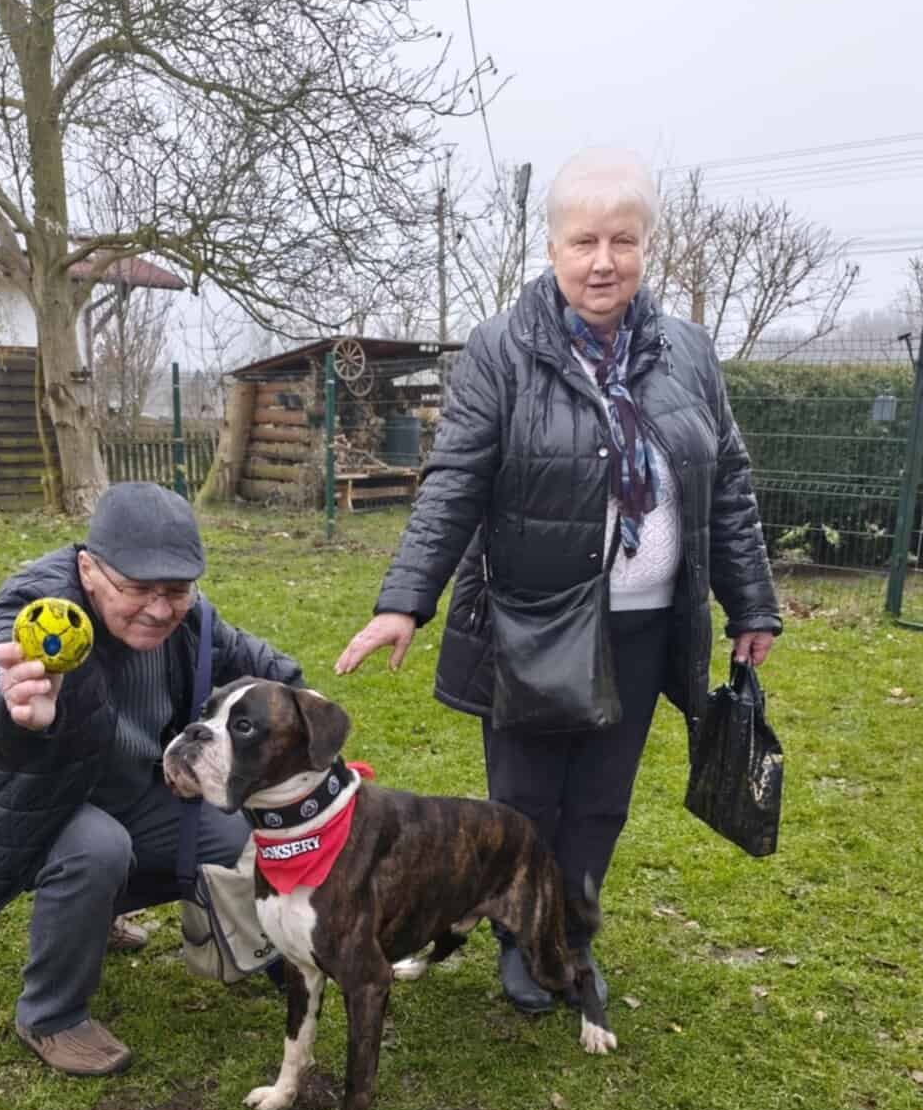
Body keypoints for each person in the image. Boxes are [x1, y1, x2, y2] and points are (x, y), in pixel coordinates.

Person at [335, 148, 781, 1015]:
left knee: (602, 802)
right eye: (584, 241)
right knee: (528, 799)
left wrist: (750, 602)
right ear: (553, 248)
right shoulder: (502, 349)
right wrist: (404, 601)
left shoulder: (688, 351)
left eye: (623, 240)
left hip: (647, 623)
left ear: (648, 246)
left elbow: (725, 481)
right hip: (534, 622)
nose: (603, 261)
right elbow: (455, 481)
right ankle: (521, 938)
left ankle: (571, 937)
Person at [0, 481, 303, 1076]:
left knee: (230, 833)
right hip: (16, 791)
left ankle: (114, 920)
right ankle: (50, 1015)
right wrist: (13, 712)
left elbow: (257, 663)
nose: (159, 609)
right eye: (136, 589)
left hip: (124, 784)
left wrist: (306, 706)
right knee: (97, 848)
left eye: (175, 590)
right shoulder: (38, 610)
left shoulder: (189, 617)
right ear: (89, 569)